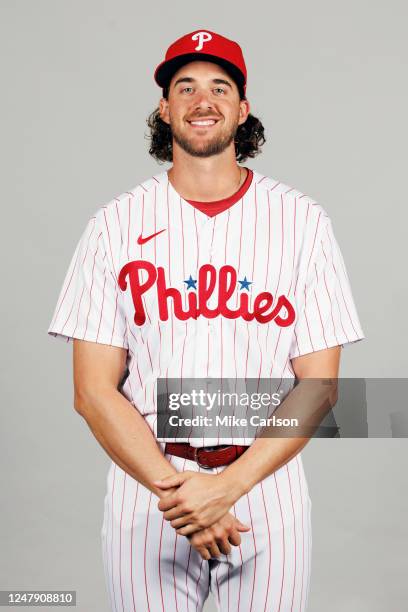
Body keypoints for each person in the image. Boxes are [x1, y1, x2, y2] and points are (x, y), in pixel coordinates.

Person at [48, 29, 365, 611]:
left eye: (220, 86)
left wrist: (225, 491)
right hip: (149, 487)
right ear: (164, 108)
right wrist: (184, 498)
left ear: (242, 110)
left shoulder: (302, 222)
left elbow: (318, 387)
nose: (203, 99)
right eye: (185, 86)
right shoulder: (113, 225)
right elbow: (93, 392)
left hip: (265, 487)